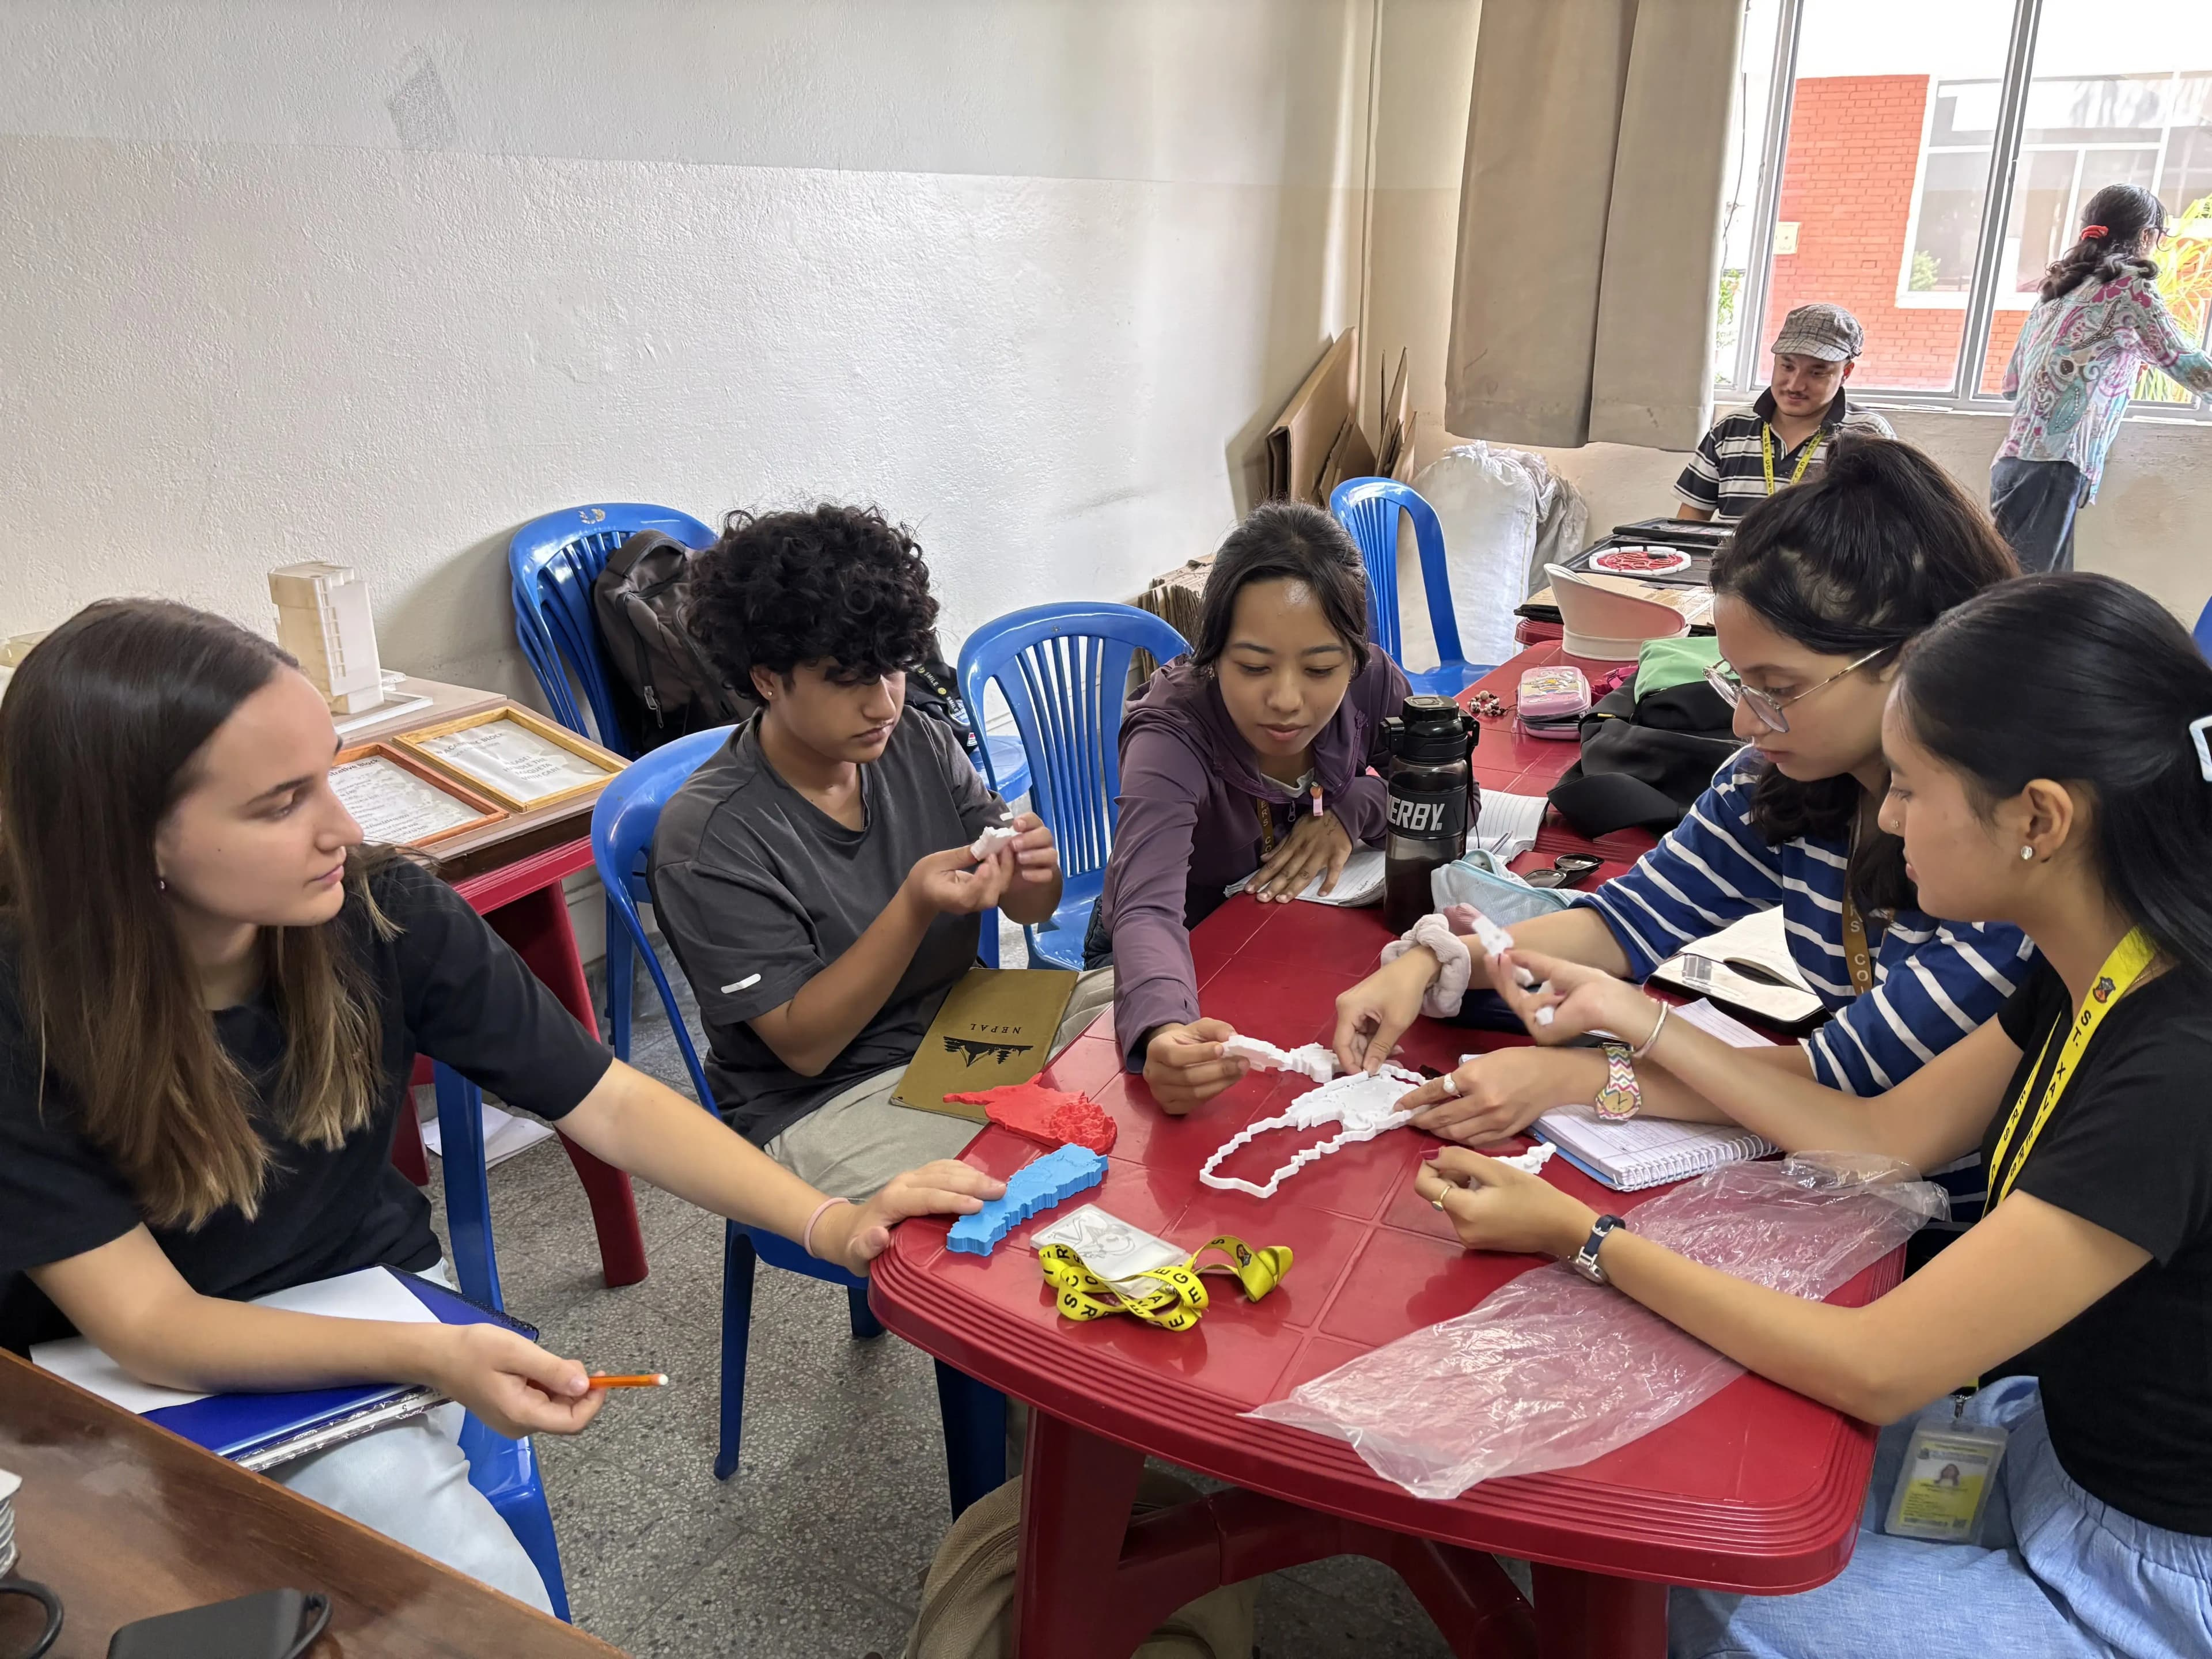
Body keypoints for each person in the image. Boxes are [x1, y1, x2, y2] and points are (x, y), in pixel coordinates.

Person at [0, 601, 1002, 1610]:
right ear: (127, 844)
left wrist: (827, 1221)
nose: (344, 829)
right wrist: (432, 1353)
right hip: (117, 1375)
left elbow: (607, 1100)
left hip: (365, 1297)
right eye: (280, 803)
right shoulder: (21, 1011)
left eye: (333, 775)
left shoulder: (384, 914)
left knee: (443, 1582)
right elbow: (148, 1325)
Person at [1411, 573, 2212, 1658]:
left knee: (1702, 1588)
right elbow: (1884, 1137)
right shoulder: (2103, 958)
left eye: (1915, 789)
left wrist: (1579, 1238)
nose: (1885, 817)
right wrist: (1630, 1024)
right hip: (2051, 1449)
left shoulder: (2176, 1064)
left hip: (2149, 1572)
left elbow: (1879, 1363)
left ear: (2040, 818)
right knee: (1690, 1464)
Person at [1334, 440, 2031, 1193]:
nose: (1744, 723)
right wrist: (1439, 958)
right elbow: (1634, 918)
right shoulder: (1787, 779)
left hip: (1949, 1206)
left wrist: (1584, 1077)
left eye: (1778, 687)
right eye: (1738, 681)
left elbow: (1855, 1082)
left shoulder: (1995, 851)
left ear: (1911, 657)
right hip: (1850, 1160)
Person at [651, 505, 1105, 1200]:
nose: (883, 703)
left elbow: (1029, 906)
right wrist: (915, 905)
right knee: (1022, 1190)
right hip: (829, 1095)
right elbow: (805, 1046)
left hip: (968, 1024)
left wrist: (1033, 871)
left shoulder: (917, 739)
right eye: (846, 678)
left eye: (894, 669)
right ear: (768, 678)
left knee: (1158, 1022)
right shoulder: (709, 838)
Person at [1091, 501, 1410, 1112]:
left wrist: (1355, 808)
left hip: (1284, 927)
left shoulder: (1371, 683)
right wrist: (1162, 1030)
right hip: (1180, 945)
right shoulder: (1171, 732)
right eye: (1254, 666)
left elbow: (1452, 798)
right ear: (1212, 655)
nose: (1287, 700)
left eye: (1320, 667)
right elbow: (1146, 907)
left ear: (1355, 655)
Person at [1993, 183, 2212, 574]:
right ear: (2146, 236)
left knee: (2035, 593)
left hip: (2012, 462)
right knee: (2023, 603)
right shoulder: (2131, 287)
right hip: (2054, 464)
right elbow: (2186, 363)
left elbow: (2012, 382)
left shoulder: (2059, 286)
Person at [1675, 302, 1896, 525]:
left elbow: (1890, 526)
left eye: (1817, 372)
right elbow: (1692, 516)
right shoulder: (1732, 428)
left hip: (1822, 561)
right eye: (1787, 367)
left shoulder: (1868, 434)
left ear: (1846, 373)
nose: (1795, 385)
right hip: (1732, 559)